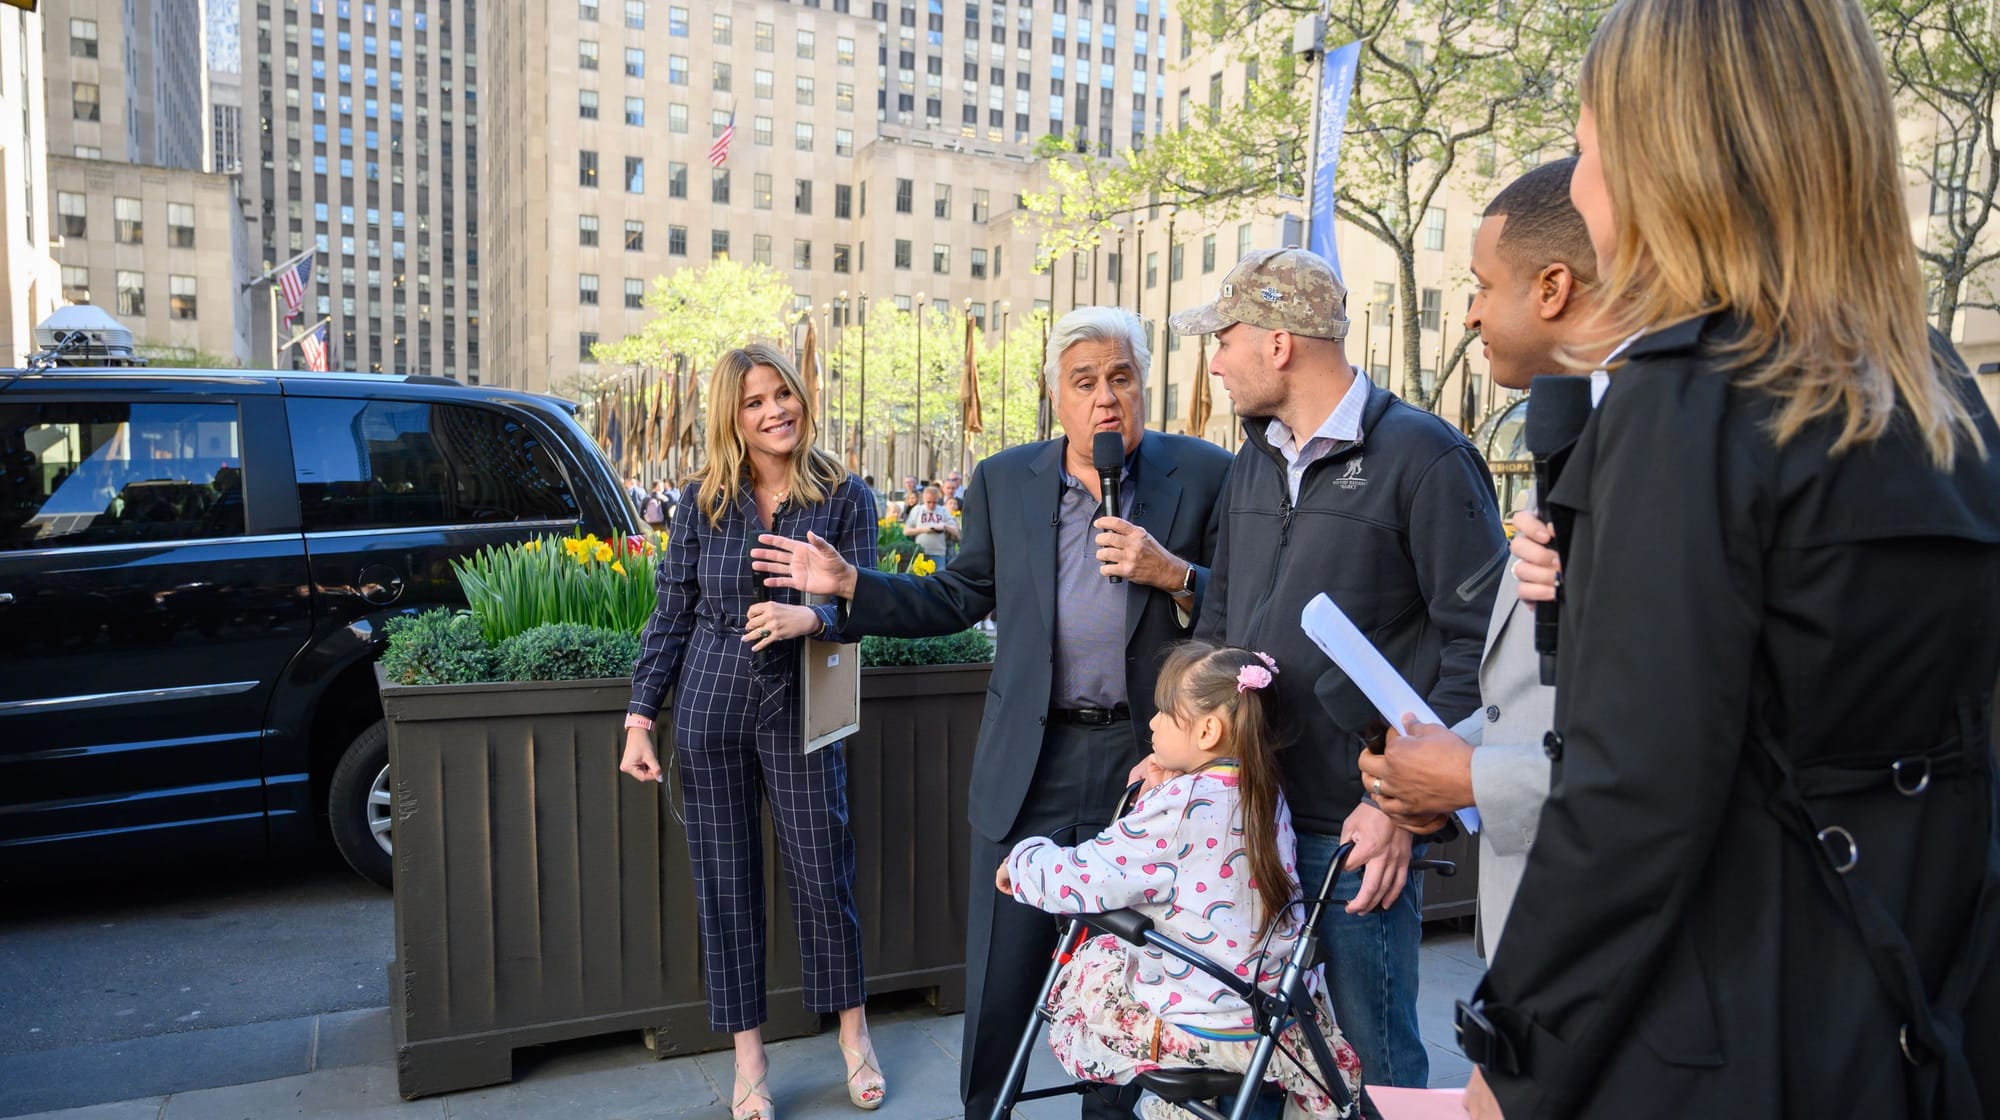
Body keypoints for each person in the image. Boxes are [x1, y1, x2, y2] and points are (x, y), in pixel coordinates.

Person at [1454, 1, 2000, 1116]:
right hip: (1907, 1015)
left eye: (1594, 146)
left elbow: (1630, 798)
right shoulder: (1934, 391)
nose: (1584, 184)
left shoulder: (1689, 398)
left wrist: (1512, 1057)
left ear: (1672, 159)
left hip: (1714, 1038)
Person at [752, 306, 1234, 1120]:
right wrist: (851, 587)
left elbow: (1246, 604)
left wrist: (1176, 574)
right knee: (1003, 977)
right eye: (1085, 382)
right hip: (1030, 761)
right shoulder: (1006, 479)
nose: (1105, 398)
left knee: (1128, 978)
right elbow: (956, 594)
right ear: (1057, 395)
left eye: (1121, 378)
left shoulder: (1207, 473)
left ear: (1145, 385)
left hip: (1149, 766)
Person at [1172, 248, 1505, 1088]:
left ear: (1279, 343)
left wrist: (1398, 803)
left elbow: (1485, 653)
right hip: (1247, 818)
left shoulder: (1426, 457)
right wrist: (1184, 745)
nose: (1214, 358)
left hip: (1351, 835)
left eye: (1226, 336)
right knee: (1254, 1068)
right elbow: (1220, 625)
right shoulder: (1252, 457)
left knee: (1370, 1068)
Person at [618, 344, 887, 1120]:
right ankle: (749, 1060)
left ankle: (853, 1036)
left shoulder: (844, 496)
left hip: (808, 703)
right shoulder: (703, 499)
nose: (775, 411)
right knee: (725, 886)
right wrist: (641, 718)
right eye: (754, 402)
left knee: (822, 872)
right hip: (710, 704)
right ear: (731, 418)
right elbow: (669, 613)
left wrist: (814, 615)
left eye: (783, 394)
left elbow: (865, 604)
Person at [1354, 158, 1604, 960]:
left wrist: (1469, 780)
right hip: (1536, 940)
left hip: (1612, 949)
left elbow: (1678, 759)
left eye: (1482, 286)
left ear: (1552, 287)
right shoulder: (1574, 449)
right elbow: (1527, 698)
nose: (1467, 314)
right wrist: (1437, 766)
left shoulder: (1666, 460)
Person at [998, 642, 1362, 1117]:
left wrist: (1025, 858)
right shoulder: (1265, 789)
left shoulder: (1183, 805)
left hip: (1203, 1024)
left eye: (1166, 713)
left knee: (1091, 963)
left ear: (1209, 730)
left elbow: (1083, 877)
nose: (1152, 723)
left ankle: (1168, 1104)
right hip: (1272, 1018)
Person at [902, 483, 959, 564]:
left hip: (939, 553)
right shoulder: (918, 509)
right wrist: (926, 530)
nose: (931, 505)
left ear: (938, 499)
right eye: (928, 502)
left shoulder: (943, 510)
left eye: (934, 502)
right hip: (921, 553)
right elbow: (906, 531)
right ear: (924, 499)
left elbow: (956, 531)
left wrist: (944, 526)